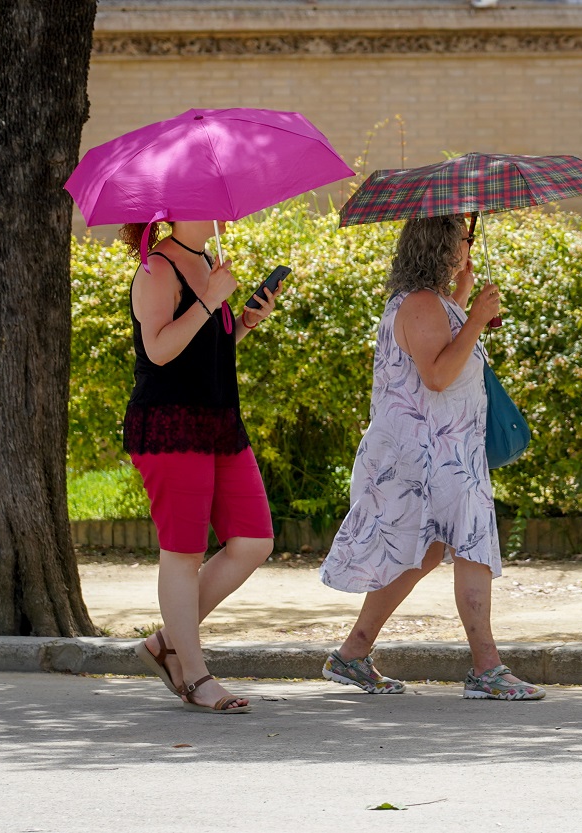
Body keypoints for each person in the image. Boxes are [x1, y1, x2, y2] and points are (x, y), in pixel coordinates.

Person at [319, 214, 544, 701]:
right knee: (470, 545)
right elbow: (438, 375)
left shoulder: (431, 303)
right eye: (463, 238)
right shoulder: (421, 304)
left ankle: (353, 655)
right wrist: (478, 319)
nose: (469, 245)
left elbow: (440, 347)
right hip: (433, 454)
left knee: (421, 552)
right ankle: (486, 669)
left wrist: (462, 301)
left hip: (438, 449)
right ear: (441, 245)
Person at [125, 219, 282, 714]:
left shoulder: (210, 263)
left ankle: (167, 643)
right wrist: (210, 301)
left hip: (218, 422)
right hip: (170, 425)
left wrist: (247, 323)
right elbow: (159, 349)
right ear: (178, 206)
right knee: (183, 554)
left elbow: (203, 354)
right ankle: (195, 675)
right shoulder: (157, 269)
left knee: (255, 541)